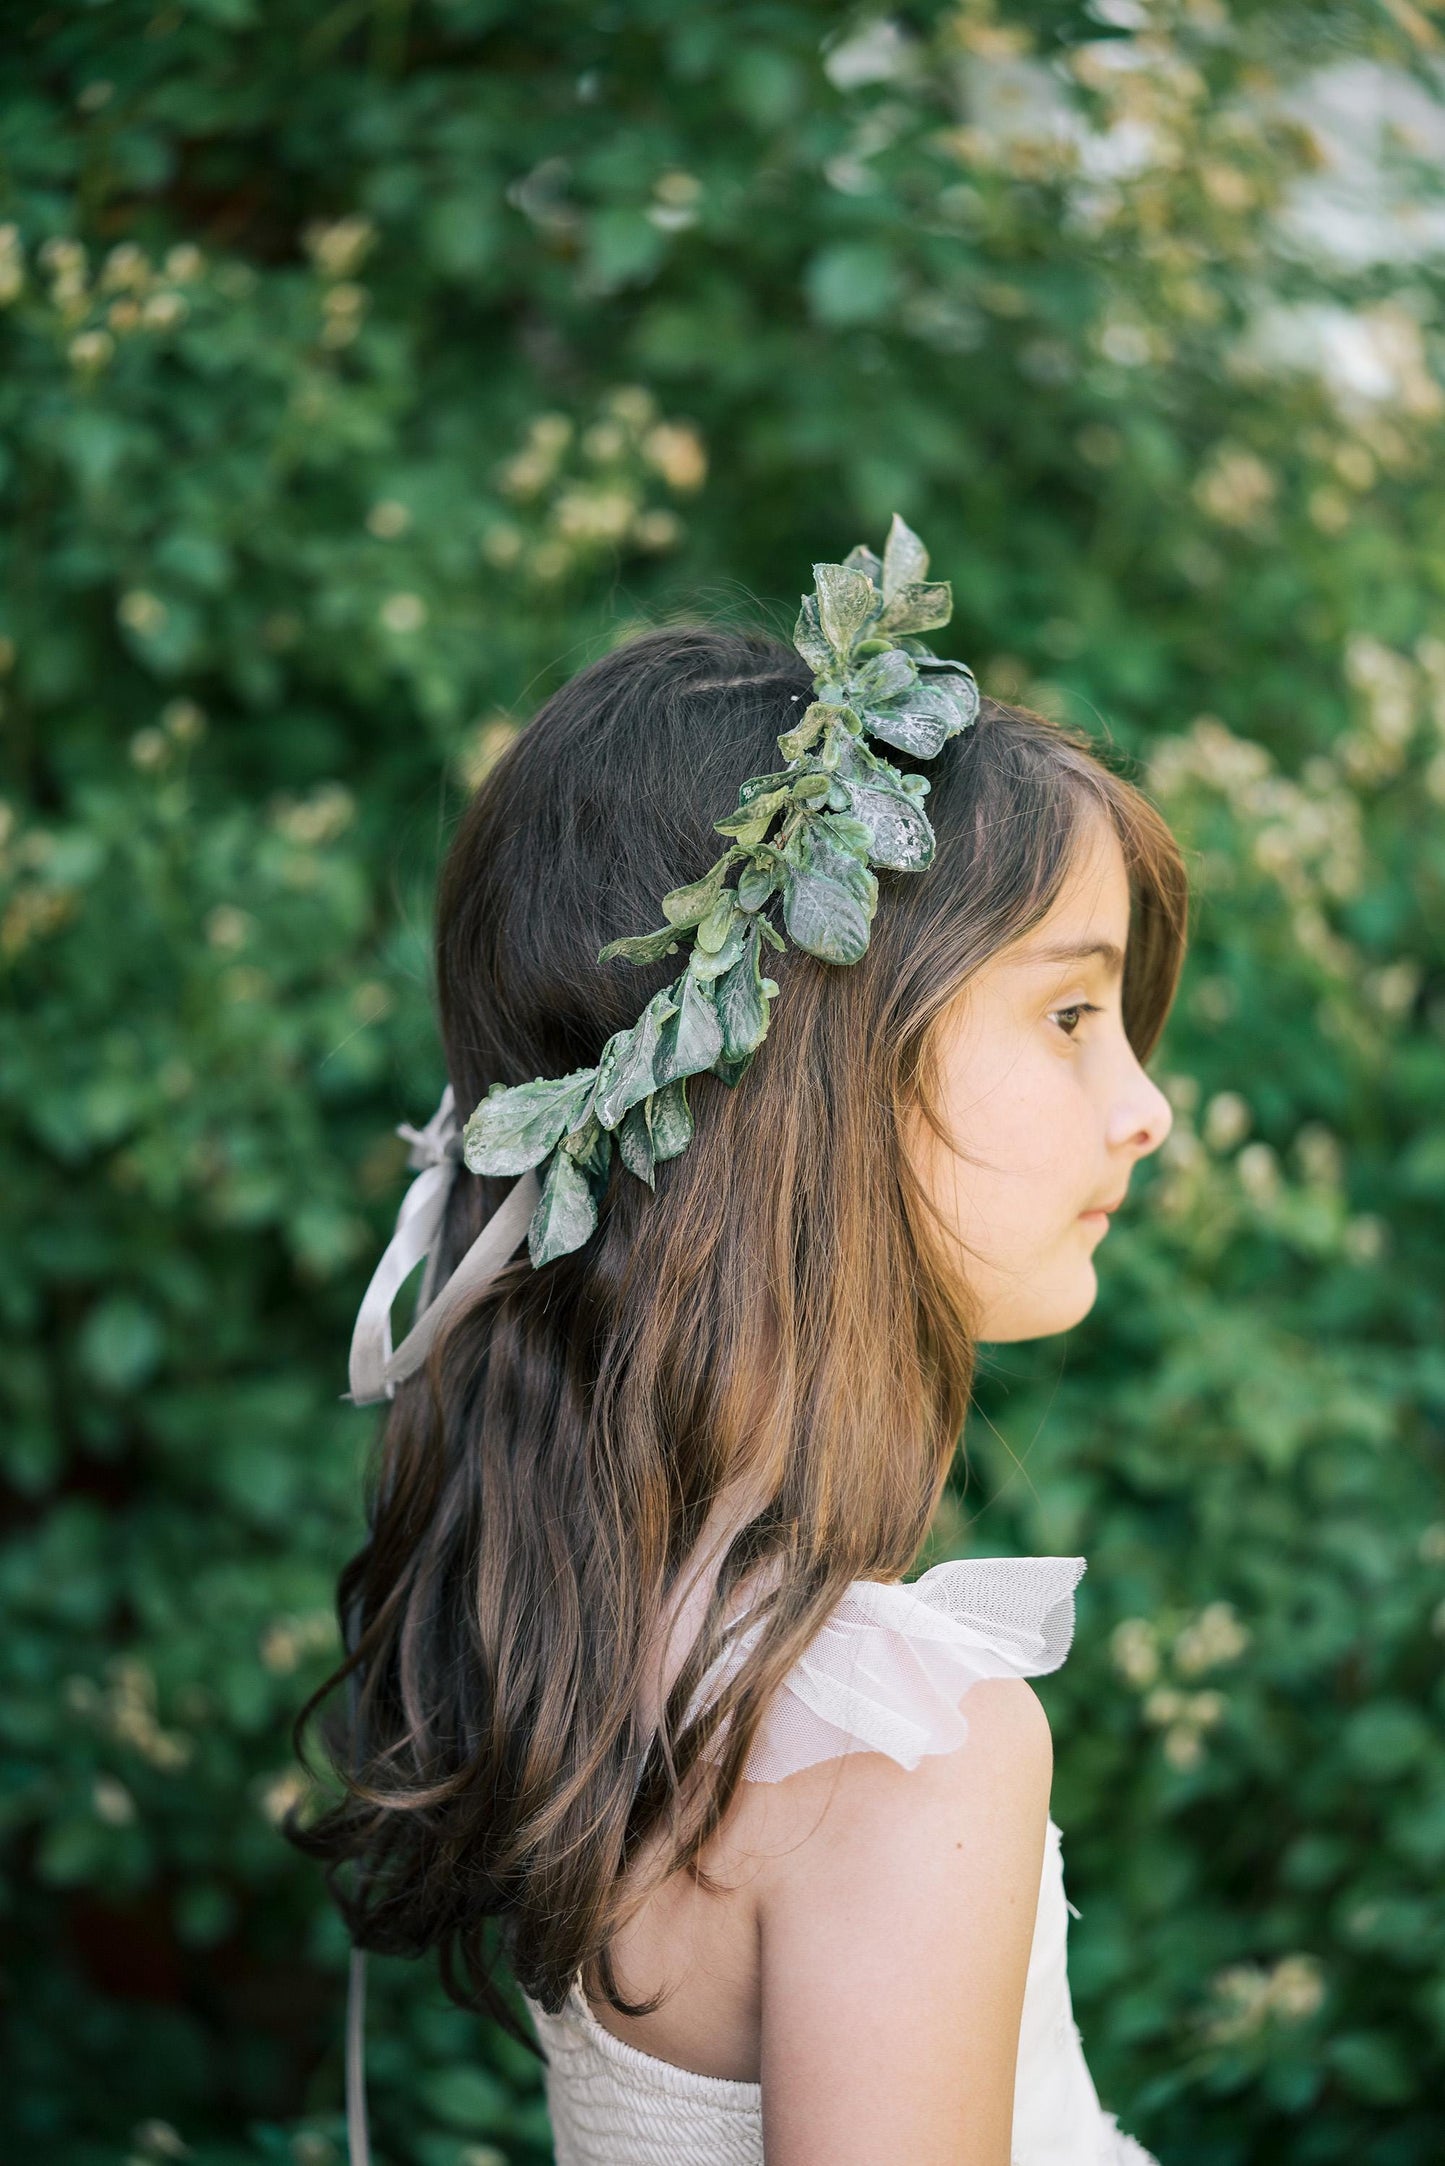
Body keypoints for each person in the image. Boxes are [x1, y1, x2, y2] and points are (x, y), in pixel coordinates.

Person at [287, 522, 1186, 2166]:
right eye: (1069, 1014)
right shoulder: (897, 1746)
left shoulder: (631, 1644)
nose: (1144, 1108)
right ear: (803, 1077)